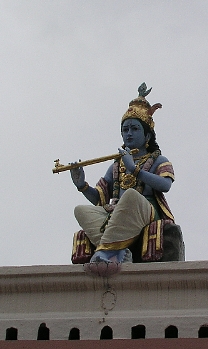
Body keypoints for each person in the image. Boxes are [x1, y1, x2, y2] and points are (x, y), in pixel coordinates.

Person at [70, 83, 174, 266]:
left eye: (134, 129)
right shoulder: (117, 165)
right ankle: (116, 250)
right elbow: (100, 199)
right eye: (125, 130)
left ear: (147, 136)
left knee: (131, 196)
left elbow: (165, 185)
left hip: (144, 210)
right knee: (81, 210)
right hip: (115, 211)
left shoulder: (158, 159)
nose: (129, 134)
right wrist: (82, 185)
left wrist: (135, 169)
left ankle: (105, 253)